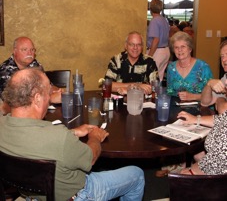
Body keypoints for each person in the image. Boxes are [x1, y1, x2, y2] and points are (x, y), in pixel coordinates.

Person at [0, 68, 145, 201]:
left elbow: (34, 137)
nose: (49, 98)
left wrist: (73, 132)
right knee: (136, 174)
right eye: (48, 94)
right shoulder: (58, 137)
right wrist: (95, 137)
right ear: (37, 98)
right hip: (76, 194)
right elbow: (91, 158)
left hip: (30, 194)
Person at [0, 36, 62, 114]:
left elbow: (47, 86)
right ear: (14, 51)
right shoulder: (5, 70)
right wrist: (50, 98)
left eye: (32, 50)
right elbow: (15, 104)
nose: (29, 53)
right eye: (24, 50)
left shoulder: (34, 64)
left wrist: (57, 92)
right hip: (11, 117)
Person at [105, 31, 158, 95]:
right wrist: (136, 86)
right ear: (126, 46)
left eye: (138, 44)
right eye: (132, 44)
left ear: (142, 47)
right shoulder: (116, 60)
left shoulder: (149, 62)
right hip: (119, 101)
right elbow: (107, 85)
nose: (135, 48)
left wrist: (127, 89)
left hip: (142, 102)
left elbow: (155, 86)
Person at [167, 31, 213, 101]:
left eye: (183, 46)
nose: (180, 50)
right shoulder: (171, 67)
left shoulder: (203, 67)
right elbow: (170, 92)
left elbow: (212, 96)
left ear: (190, 49)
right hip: (177, 106)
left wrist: (193, 96)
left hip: (200, 108)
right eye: (176, 47)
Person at [178, 111, 227, 175]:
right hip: (216, 155)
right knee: (198, 152)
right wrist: (196, 119)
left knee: (183, 174)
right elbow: (222, 119)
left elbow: (221, 159)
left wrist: (194, 171)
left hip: (220, 166)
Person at [146, 0, 170, 82]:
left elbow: (156, 39)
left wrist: (149, 56)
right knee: (159, 77)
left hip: (157, 51)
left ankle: (152, 94)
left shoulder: (154, 21)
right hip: (166, 50)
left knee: (152, 77)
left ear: (150, 8)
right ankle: (158, 94)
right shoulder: (164, 20)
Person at [201, 40, 227, 114]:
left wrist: (220, 99)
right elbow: (204, 103)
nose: (224, 59)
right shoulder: (225, 78)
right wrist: (209, 84)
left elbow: (224, 112)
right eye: (222, 56)